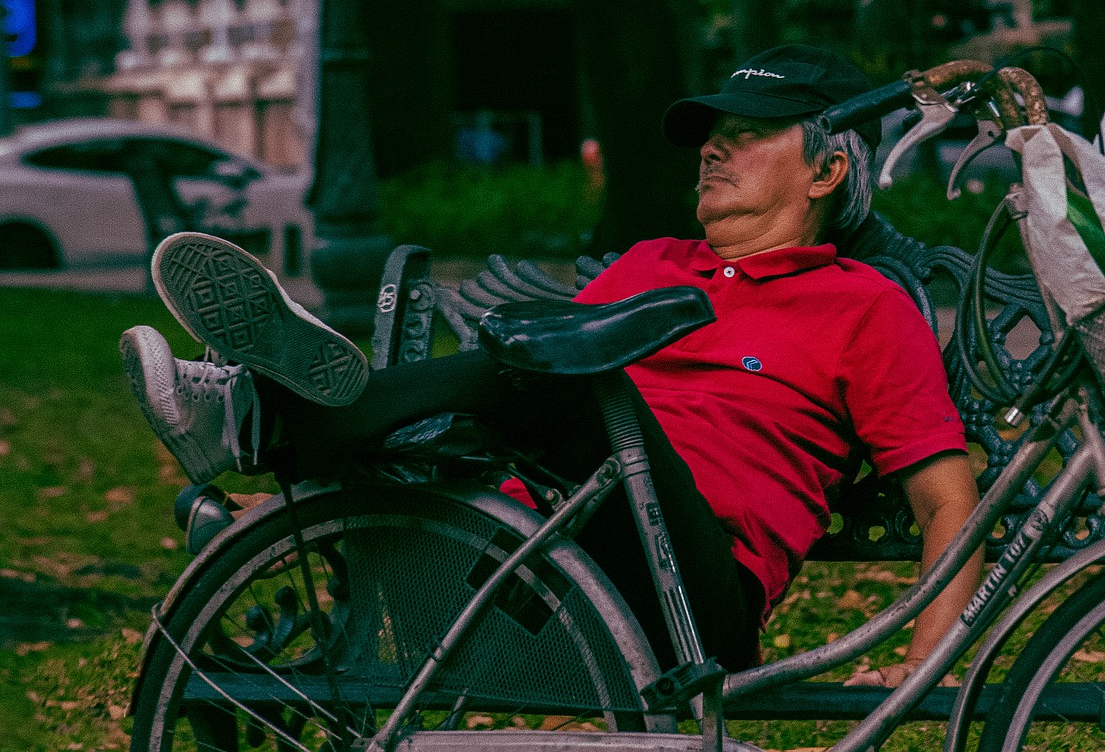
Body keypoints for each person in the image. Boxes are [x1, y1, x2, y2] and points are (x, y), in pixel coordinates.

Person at [120, 45, 981, 687]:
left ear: (829, 169)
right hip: (524, 572)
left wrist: (923, 659)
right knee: (517, 385)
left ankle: (259, 422)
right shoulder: (649, 264)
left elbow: (948, 501)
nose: (713, 152)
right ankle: (280, 493)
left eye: (748, 136)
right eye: (713, 136)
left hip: (687, 610)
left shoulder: (863, 304)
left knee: (564, 371)